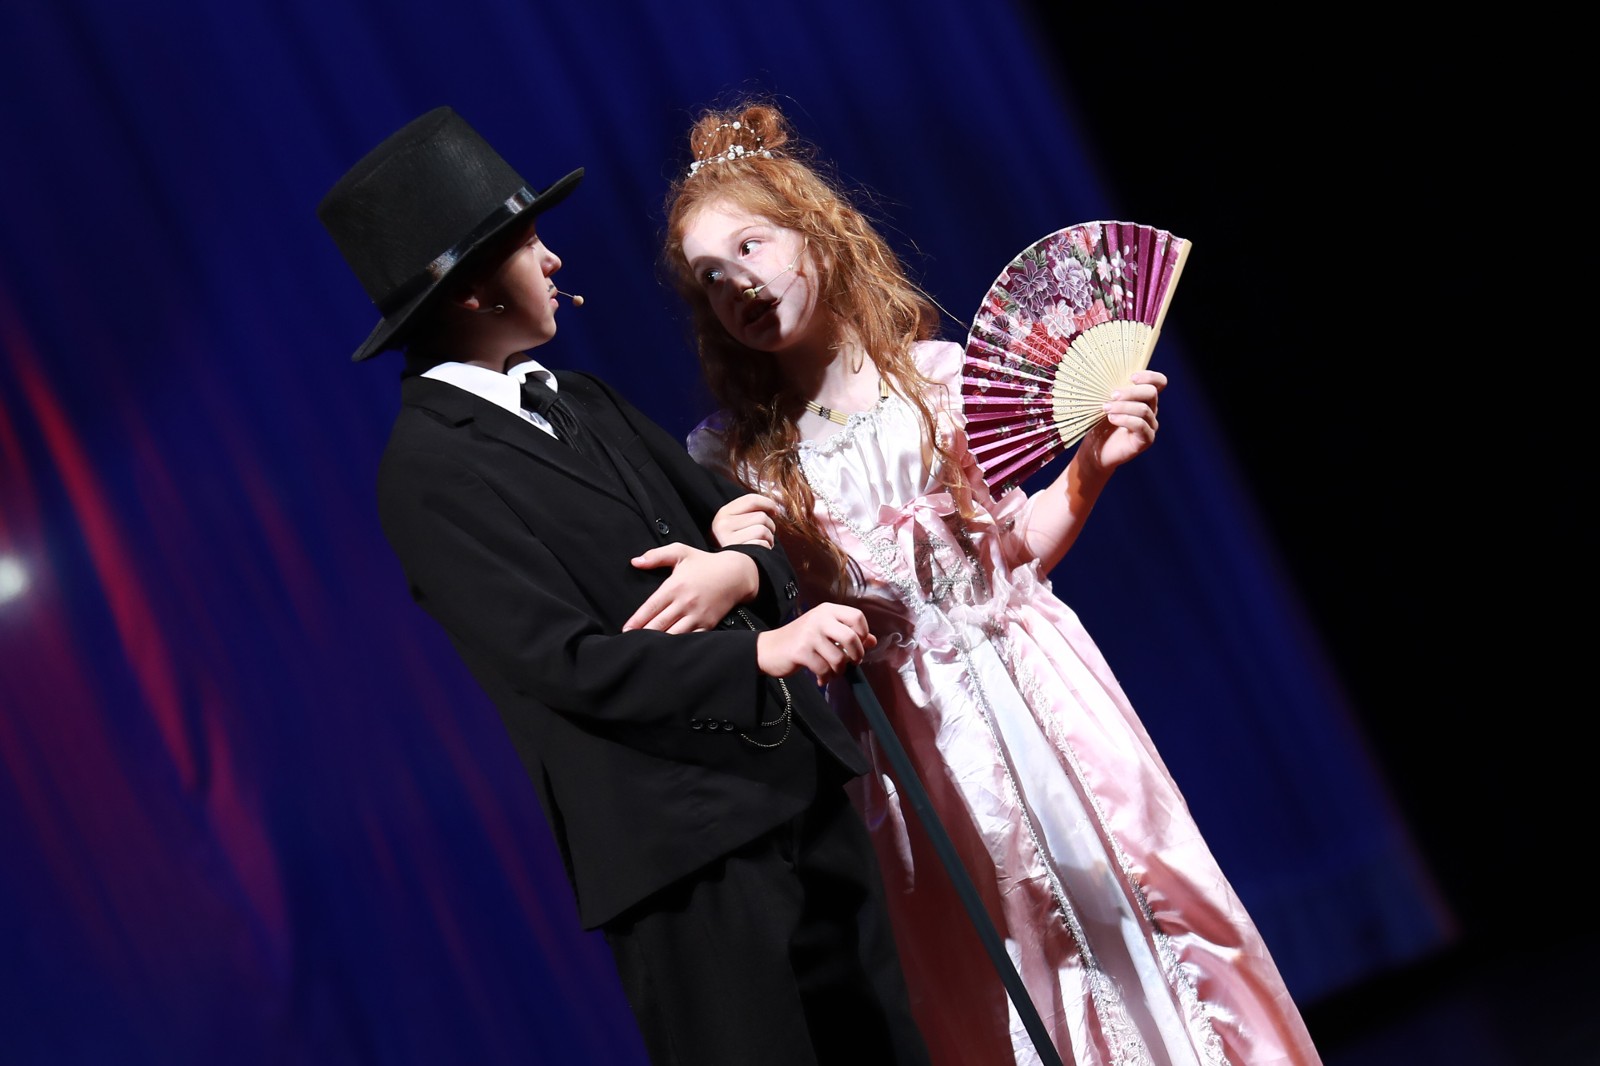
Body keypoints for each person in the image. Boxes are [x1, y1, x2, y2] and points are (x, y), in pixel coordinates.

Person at [661, 99, 1324, 1066]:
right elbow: (765, 625)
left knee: (1125, 901)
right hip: (907, 736)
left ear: (814, 232)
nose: (738, 285)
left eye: (750, 247)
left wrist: (1089, 469)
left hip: (1033, 687)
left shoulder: (937, 378)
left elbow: (1013, 551)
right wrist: (737, 554)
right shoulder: (732, 457)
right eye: (710, 280)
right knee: (997, 958)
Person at [316, 105, 932, 1066]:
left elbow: (750, 529)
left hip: (795, 790)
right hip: (686, 849)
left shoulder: (585, 400)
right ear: (472, 288)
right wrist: (762, 651)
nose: (553, 259)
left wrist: (740, 568)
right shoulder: (430, 471)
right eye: (529, 244)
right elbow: (565, 665)